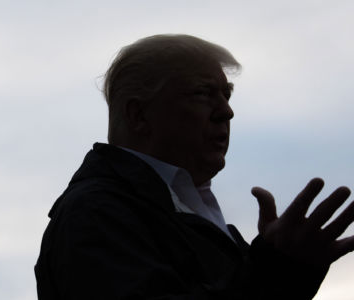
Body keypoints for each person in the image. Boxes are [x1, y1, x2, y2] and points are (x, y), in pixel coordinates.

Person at [35, 34, 354, 300]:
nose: (226, 112)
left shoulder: (181, 210)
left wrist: (291, 272)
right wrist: (274, 268)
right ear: (138, 115)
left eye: (227, 95)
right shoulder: (96, 211)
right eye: (203, 94)